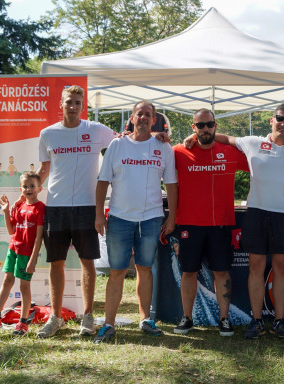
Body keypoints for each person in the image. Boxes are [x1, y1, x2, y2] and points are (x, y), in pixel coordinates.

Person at [185, 104, 284, 339]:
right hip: (256, 212)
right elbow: (223, 137)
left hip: (283, 215)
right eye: (279, 119)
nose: (283, 124)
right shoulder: (252, 142)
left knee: (281, 268)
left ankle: (279, 321)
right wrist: (193, 135)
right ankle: (256, 321)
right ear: (271, 121)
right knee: (255, 267)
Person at [93, 100, 178, 343]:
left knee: (144, 268)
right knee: (117, 271)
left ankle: (145, 319)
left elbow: (171, 184)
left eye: (148, 115)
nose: (143, 118)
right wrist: (99, 214)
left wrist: (172, 216)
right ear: (131, 118)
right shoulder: (117, 145)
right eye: (139, 114)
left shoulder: (164, 147)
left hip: (151, 219)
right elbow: (102, 182)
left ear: (153, 120)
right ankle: (108, 324)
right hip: (120, 218)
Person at [36, 85, 116, 338]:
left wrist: (158, 136)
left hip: (87, 206)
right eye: (69, 102)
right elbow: (44, 169)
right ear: (61, 104)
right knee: (55, 263)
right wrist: (26, 195)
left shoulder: (96, 130)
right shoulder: (48, 134)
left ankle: (88, 317)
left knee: (87, 262)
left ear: (84, 107)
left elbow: (126, 139)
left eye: (77, 103)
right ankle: (56, 317)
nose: (73, 106)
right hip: (56, 206)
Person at [172, 108, 249, 336]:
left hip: (221, 224)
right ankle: (187, 318)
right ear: (193, 128)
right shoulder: (178, 152)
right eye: (200, 125)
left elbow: (262, 159)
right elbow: (155, 155)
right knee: (188, 272)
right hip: (189, 223)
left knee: (222, 273)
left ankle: (224, 320)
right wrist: (159, 137)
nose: (206, 129)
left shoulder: (230, 152)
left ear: (215, 126)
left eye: (209, 124)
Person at [0, 172, 45, 336]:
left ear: (39, 188)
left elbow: (39, 238)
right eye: (25, 186)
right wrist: (6, 211)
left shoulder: (41, 208)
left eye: (32, 186)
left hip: (27, 254)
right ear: (20, 189)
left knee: (24, 286)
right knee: (7, 280)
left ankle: (23, 323)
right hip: (13, 249)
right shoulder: (18, 206)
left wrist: (32, 260)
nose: (28, 189)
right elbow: (11, 231)